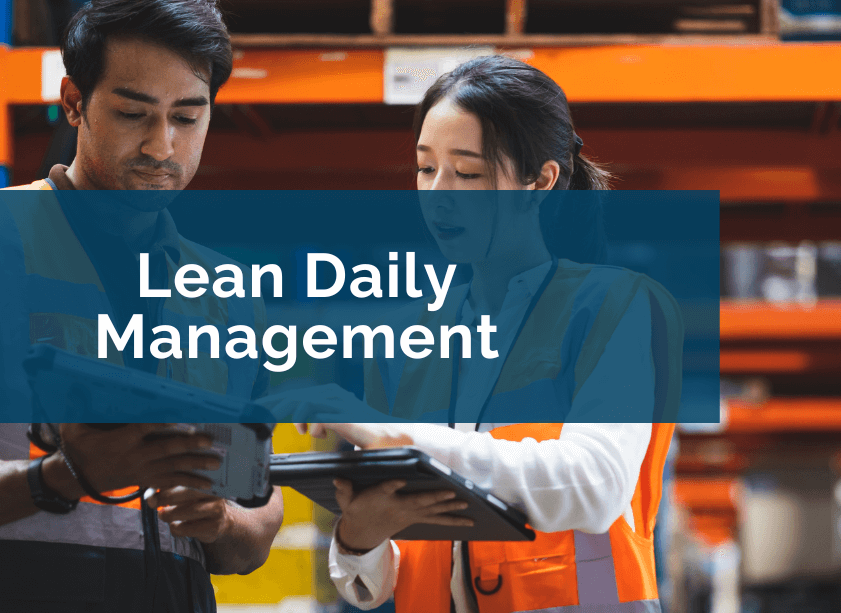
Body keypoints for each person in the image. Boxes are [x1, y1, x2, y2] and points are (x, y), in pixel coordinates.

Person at [0, 1, 283, 611]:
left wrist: (222, 521)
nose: (162, 145)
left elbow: (256, 512)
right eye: (133, 113)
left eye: (187, 117)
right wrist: (63, 477)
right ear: (74, 102)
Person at [280, 55, 683, 613]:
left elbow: (595, 485)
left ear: (540, 180)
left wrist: (395, 439)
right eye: (425, 169)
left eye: (466, 173)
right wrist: (360, 539)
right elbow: (386, 571)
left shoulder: (618, 309)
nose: (438, 194)